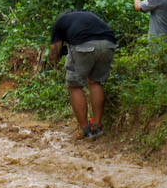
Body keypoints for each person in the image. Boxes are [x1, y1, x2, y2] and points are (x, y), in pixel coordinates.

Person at [48, 10, 117, 140]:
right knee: (95, 81)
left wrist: (58, 56)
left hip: (83, 44)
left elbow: (54, 54)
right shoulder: (88, 16)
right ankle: (97, 126)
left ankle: (85, 129)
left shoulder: (59, 23)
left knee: (75, 85)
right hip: (109, 43)